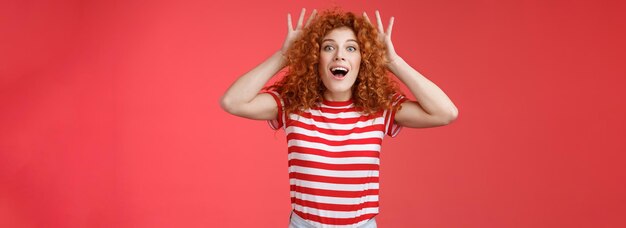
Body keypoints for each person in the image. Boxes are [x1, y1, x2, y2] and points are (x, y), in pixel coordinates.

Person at [220, 7, 458, 228]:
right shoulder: (292, 103)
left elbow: (445, 112)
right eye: (329, 47)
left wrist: (394, 63)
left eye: (351, 48)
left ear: (362, 60)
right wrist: (283, 56)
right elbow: (233, 101)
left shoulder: (380, 107)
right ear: (316, 57)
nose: (340, 56)